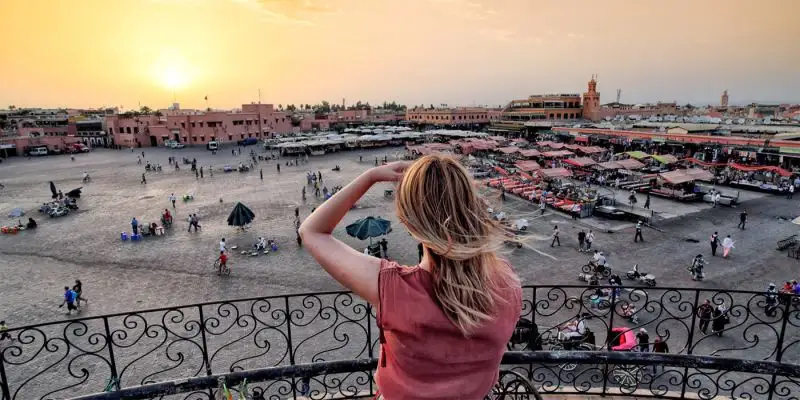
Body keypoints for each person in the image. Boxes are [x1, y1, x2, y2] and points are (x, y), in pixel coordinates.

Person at [298, 155, 522, 399]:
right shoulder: (506, 281)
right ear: (471, 208)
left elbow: (312, 231)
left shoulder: (394, 289)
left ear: (408, 223)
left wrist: (370, 176)